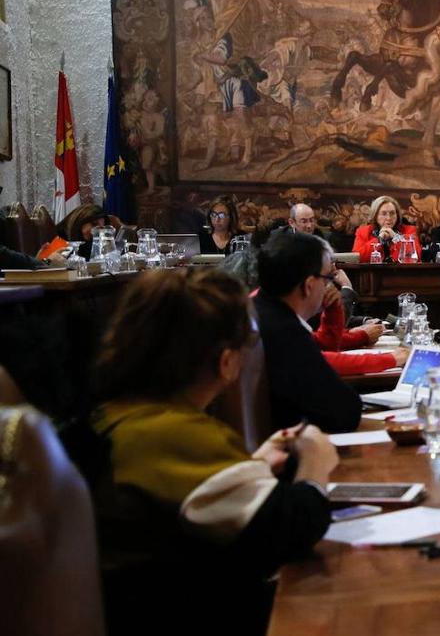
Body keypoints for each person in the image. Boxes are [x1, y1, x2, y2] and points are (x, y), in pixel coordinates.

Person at [87, 268, 336, 635]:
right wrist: (314, 468)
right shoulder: (174, 432)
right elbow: (286, 532)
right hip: (186, 615)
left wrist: (253, 465)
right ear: (226, 362)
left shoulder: (116, 414)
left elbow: (189, 500)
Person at [255, 232, 361, 433]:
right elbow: (344, 411)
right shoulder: (285, 332)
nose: (329, 286)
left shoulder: (256, 308)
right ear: (309, 285)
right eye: (327, 278)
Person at [352, 195, 421, 263]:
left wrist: (396, 237)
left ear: (397, 215)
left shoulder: (410, 230)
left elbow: (415, 257)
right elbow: (356, 258)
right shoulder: (363, 231)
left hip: (401, 272)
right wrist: (379, 239)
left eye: (392, 213)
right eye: (384, 214)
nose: (388, 218)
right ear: (375, 216)